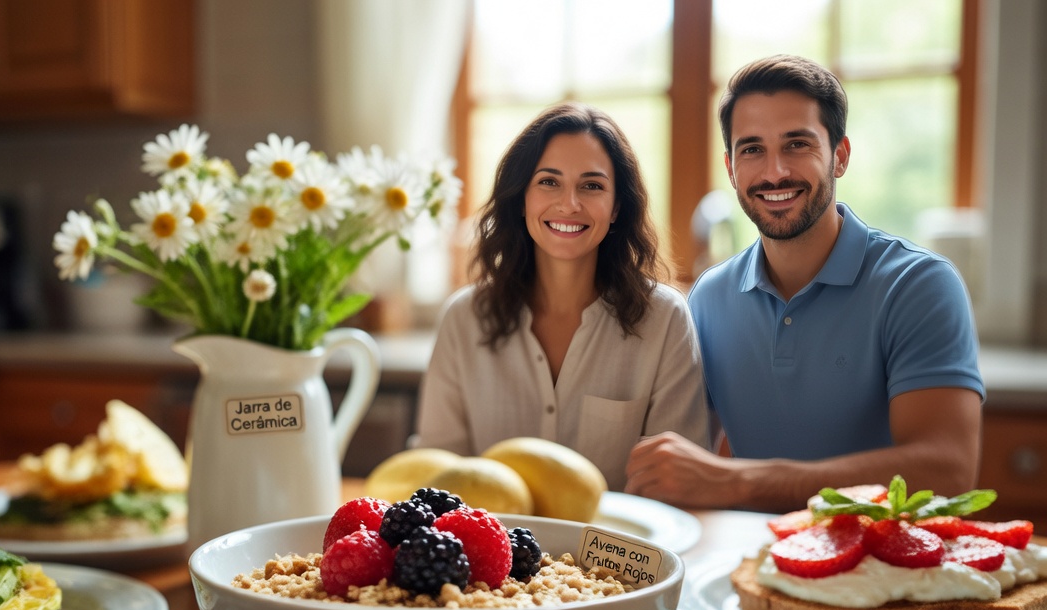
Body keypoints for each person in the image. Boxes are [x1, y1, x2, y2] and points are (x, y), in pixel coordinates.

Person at [625, 54, 985, 512]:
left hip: (888, 571)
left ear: (840, 156)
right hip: (755, 565)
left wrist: (741, 482)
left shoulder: (919, 285)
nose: (774, 172)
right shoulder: (709, 298)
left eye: (797, 144)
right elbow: (684, 460)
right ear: (731, 167)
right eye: (752, 149)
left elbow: (946, 472)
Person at [414, 102, 710, 492]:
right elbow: (438, 475)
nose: (569, 204)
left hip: (621, 551)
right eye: (549, 182)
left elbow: (676, 486)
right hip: (490, 551)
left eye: (592, 185)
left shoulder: (665, 320)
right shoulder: (464, 317)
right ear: (522, 198)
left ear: (617, 206)